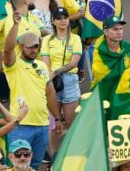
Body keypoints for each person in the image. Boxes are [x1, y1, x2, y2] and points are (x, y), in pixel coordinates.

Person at [3, 0, 60, 171]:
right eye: (29, 46)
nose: (34, 49)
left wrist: (57, 118)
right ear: (21, 47)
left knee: (33, 167)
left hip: (42, 126)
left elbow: (49, 92)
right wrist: (16, 25)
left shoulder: (42, 67)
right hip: (20, 126)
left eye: (36, 46)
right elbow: (7, 49)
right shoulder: (13, 65)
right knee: (16, 166)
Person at [40, 9, 82, 153]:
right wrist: (50, 77)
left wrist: (54, 73)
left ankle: (71, 153)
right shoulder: (47, 40)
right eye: (59, 18)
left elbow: (74, 63)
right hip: (52, 83)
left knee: (71, 122)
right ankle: (54, 156)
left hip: (69, 80)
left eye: (65, 17)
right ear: (53, 21)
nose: (63, 20)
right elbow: (45, 62)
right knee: (54, 124)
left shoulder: (75, 39)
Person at [91, 16, 130, 98]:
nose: (119, 32)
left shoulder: (128, 49)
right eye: (115, 29)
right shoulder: (99, 51)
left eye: (121, 29)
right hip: (103, 93)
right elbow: (99, 73)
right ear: (105, 32)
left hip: (123, 93)